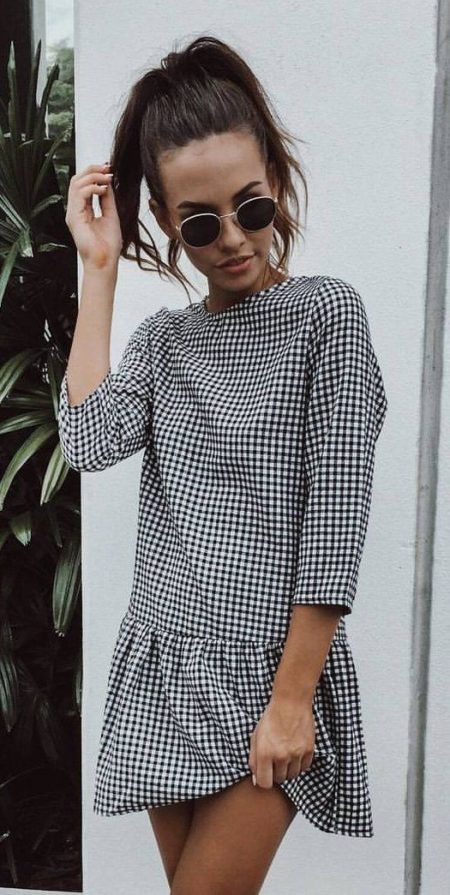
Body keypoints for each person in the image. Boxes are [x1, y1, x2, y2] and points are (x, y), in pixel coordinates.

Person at [58, 34, 388, 895]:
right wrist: (100, 270)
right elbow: (89, 441)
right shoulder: (164, 341)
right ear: (168, 223)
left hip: (271, 671)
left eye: (252, 206)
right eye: (201, 223)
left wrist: (293, 699)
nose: (233, 239)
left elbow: (336, 517)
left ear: (275, 176)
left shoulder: (326, 317)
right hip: (166, 666)